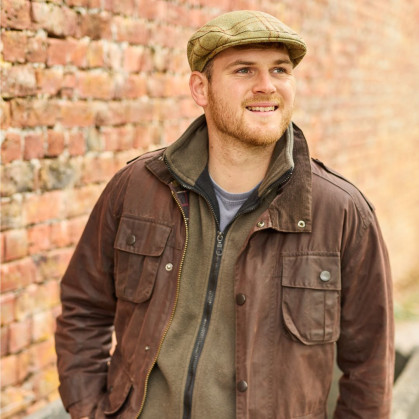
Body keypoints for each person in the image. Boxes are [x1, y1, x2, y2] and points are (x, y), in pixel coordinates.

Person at [55, 10, 394, 419]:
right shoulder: (137, 189)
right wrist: (88, 410)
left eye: (280, 70)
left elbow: (370, 369)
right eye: (244, 70)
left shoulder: (341, 212)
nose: (267, 85)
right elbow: (84, 308)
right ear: (201, 88)